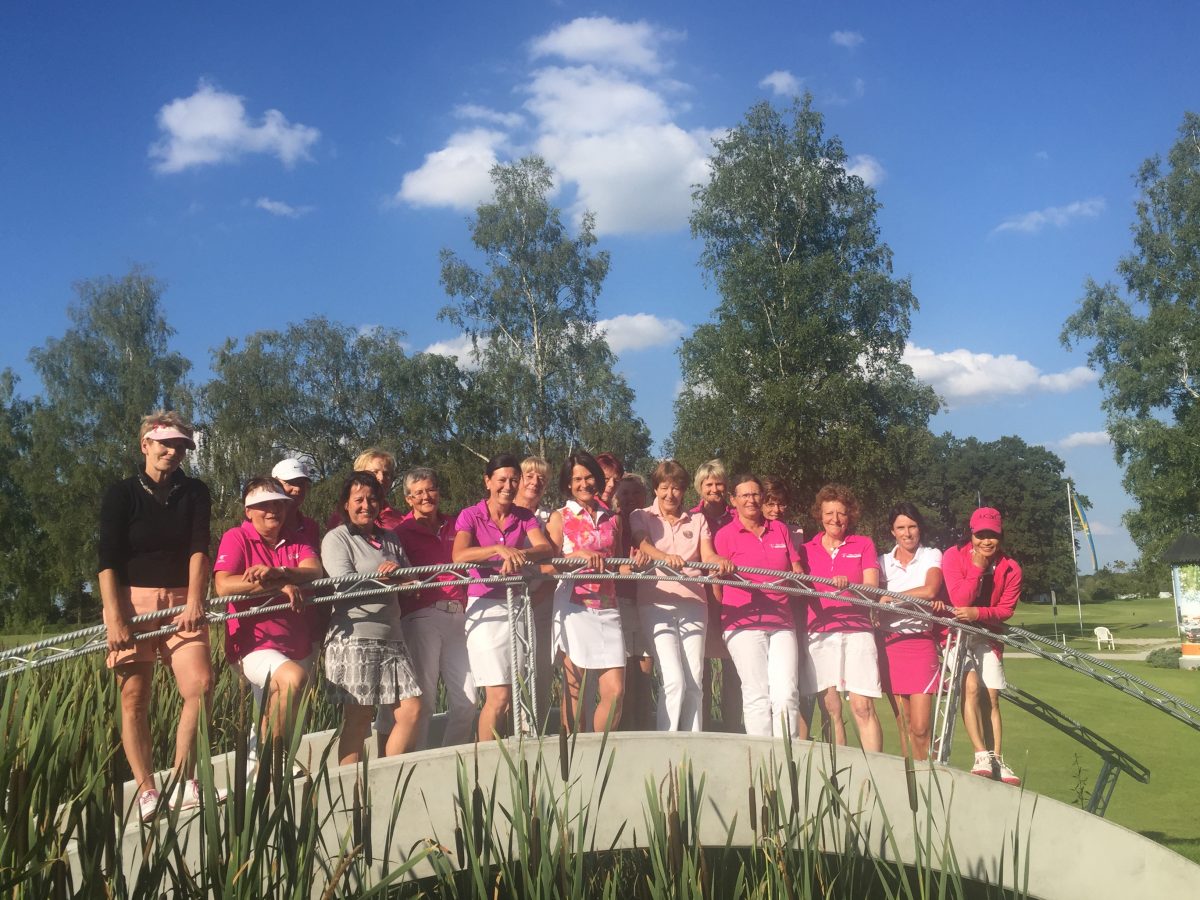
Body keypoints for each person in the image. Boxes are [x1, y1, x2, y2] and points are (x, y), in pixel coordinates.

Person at [98, 411, 219, 821]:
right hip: (131, 604)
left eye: (181, 445)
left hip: (184, 602)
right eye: (165, 443)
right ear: (145, 444)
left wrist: (195, 600)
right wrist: (115, 618)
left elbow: (199, 546)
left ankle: (186, 781)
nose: (173, 451)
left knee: (200, 686)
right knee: (134, 697)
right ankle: (147, 790)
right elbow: (108, 558)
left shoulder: (196, 491)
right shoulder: (122, 493)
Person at [214, 477, 325, 761]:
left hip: (296, 644)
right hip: (253, 645)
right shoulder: (236, 537)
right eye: (263, 505)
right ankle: (272, 765)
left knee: (279, 710)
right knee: (292, 681)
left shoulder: (296, 539)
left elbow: (314, 571)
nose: (272, 510)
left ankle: (258, 770)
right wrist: (276, 585)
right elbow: (224, 585)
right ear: (248, 511)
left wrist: (278, 571)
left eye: (278, 504)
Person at [322, 472, 422, 764]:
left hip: (393, 636)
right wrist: (387, 579)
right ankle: (351, 796)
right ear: (345, 504)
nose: (367, 505)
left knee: (412, 709)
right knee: (359, 717)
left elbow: (411, 579)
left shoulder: (390, 538)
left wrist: (401, 579)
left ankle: (386, 781)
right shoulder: (336, 538)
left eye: (373, 499)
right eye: (359, 499)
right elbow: (344, 583)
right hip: (355, 638)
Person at [453, 453, 554, 741]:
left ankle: (509, 759)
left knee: (512, 692)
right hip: (485, 608)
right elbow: (459, 554)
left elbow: (544, 548)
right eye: (501, 480)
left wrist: (518, 553)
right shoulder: (470, 515)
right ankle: (486, 766)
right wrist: (498, 551)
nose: (508, 486)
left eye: (513, 480)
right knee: (497, 696)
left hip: (517, 607)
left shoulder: (524, 516)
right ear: (488, 481)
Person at [631, 461, 732, 732]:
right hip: (656, 602)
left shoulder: (697, 520)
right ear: (656, 488)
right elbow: (642, 543)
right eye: (664, 488)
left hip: (694, 603)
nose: (670, 494)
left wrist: (719, 561)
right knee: (674, 678)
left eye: (676, 488)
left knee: (695, 679)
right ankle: (668, 739)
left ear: (685, 491)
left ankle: (693, 739)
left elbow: (707, 554)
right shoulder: (641, 515)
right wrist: (666, 558)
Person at [389, 467, 476, 749]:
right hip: (422, 615)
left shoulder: (456, 525)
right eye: (419, 493)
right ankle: (421, 758)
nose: (427, 497)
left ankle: (453, 759)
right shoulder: (399, 533)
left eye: (431, 489)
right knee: (424, 698)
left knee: (468, 701)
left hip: (460, 615)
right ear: (408, 499)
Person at [713, 474, 805, 737]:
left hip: (782, 622)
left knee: (787, 694)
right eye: (744, 495)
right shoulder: (725, 534)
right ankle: (762, 763)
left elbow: (795, 568)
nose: (751, 500)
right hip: (743, 623)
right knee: (757, 694)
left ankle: (788, 762)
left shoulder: (780, 530)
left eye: (755, 494)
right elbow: (717, 588)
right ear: (734, 500)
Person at [546, 452, 627, 732]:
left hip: (608, 606)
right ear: (568, 484)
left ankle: (598, 755)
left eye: (589, 476)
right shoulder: (560, 517)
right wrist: (574, 557)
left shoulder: (612, 519)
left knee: (615, 691)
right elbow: (544, 568)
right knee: (575, 692)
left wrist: (641, 562)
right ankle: (575, 756)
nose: (584, 483)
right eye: (577, 478)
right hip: (574, 607)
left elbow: (617, 567)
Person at [943, 507, 1022, 785]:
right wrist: (977, 566)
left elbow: (1006, 609)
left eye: (992, 535)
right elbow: (959, 598)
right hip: (955, 633)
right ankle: (980, 754)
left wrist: (979, 614)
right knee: (971, 686)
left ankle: (996, 759)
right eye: (981, 535)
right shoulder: (953, 555)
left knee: (992, 696)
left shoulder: (1011, 567)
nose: (986, 541)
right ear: (972, 534)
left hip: (988, 634)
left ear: (1001, 536)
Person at [804, 484, 884, 752]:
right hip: (820, 631)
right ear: (820, 514)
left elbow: (872, 590)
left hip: (857, 630)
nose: (835, 519)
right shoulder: (807, 548)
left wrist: (849, 585)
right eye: (829, 513)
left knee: (862, 706)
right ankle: (839, 775)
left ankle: (873, 771)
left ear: (850, 516)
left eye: (841, 513)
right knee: (830, 707)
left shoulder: (863, 544)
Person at [877, 503, 945, 762]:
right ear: (892, 531)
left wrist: (891, 600)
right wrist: (884, 602)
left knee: (920, 726)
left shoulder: (931, 555)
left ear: (920, 528)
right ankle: (911, 780)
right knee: (904, 724)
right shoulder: (882, 562)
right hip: (890, 643)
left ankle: (925, 773)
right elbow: (873, 598)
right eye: (901, 528)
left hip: (920, 643)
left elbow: (929, 591)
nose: (907, 533)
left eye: (912, 526)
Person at [761, 476, 814, 739]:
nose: (775, 510)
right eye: (769, 504)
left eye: (780, 504)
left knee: (794, 683)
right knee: (761, 687)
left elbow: (800, 570)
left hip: (794, 614)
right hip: (762, 613)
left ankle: (800, 740)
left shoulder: (796, 532)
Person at [692, 459, 740, 731]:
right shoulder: (692, 516)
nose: (714, 488)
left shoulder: (737, 516)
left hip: (735, 597)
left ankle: (733, 727)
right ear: (700, 487)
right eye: (708, 484)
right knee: (703, 668)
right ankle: (705, 728)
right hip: (703, 599)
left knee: (734, 668)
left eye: (719, 483)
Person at [515, 455, 556, 727]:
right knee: (513, 671)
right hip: (505, 601)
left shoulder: (550, 517)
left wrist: (536, 590)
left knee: (541, 670)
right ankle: (509, 731)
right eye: (529, 475)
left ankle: (538, 731)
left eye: (541, 477)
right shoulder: (503, 512)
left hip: (541, 602)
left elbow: (557, 563)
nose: (535, 482)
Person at [613, 472, 654, 730]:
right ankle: (625, 730)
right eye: (624, 493)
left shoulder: (652, 523)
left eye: (635, 493)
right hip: (622, 601)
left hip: (649, 601)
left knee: (646, 670)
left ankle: (644, 727)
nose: (630, 498)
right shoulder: (614, 522)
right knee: (626, 670)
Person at [327, 448, 404, 532]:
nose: (381, 478)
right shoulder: (341, 517)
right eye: (374, 472)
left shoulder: (401, 520)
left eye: (386, 474)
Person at [272, 457, 321, 549]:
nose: (297, 489)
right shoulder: (263, 523)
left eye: (301, 483)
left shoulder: (311, 526)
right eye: (289, 483)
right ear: (274, 484)